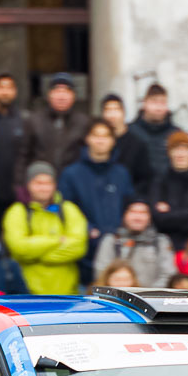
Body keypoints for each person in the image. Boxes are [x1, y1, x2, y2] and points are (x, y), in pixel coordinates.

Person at [59, 120, 135, 280]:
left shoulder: (122, 173)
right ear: (87, 139)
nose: (101, 140)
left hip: (116, 253)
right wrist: (88, 230)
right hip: (83, 254)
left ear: (113, 141)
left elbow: (129, 207)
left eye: (106, 136)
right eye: (96, 135)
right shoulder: (71, 174)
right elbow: (65, 209)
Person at [3, 162, 86, 295]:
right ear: (28, 184)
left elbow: (78, 247)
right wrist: (57, 240)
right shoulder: (17, 211)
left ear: (55, 185)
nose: (43, 188)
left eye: (48, 183)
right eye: (38, 183)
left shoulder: (68, 209)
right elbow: (19, 248)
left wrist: (36, 255)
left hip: (67, 293)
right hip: (28, 293)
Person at [18, 73, 89, 189]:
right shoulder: (34, 121)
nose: (61, 96)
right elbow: (23, 157)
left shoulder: (83, 123)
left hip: (72, 186)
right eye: (57, 91)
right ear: (49, 95)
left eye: (66, 91)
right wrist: (21, 186)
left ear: (73, 96)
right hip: (41, 187)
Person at [93, 199, 177, 287]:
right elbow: (102, 274)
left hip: (151, 294)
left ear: (150, 217)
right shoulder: (112, 240)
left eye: (143, 213)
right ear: (124, 215)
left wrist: (147, 293)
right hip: (117, 294)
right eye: (133, 212)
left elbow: (169, 275)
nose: (137, 217)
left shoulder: (160, 242)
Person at [0, 73, 26, 219]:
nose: (5, 92)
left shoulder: (23, 120)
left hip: (15, 192)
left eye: (10, 88)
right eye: (1, 87)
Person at [128, 83, 183, 184]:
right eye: (154, 102)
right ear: (145, 103)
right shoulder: (130, 132)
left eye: (162, 102)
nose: (158, 107)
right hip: (138, 189)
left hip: (168, 189)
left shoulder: (175, 134)